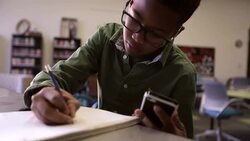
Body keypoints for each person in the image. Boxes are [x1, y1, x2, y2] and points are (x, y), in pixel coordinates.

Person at [24, 0, 200, 139]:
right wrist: (44, 90)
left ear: (175, 32)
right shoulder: (105, 37)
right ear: (130, 3)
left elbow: (182, 134)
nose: (137, 37)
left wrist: (177, 138)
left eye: (155, 34)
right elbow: (63, 73)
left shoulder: (182, 74)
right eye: (135, 18)